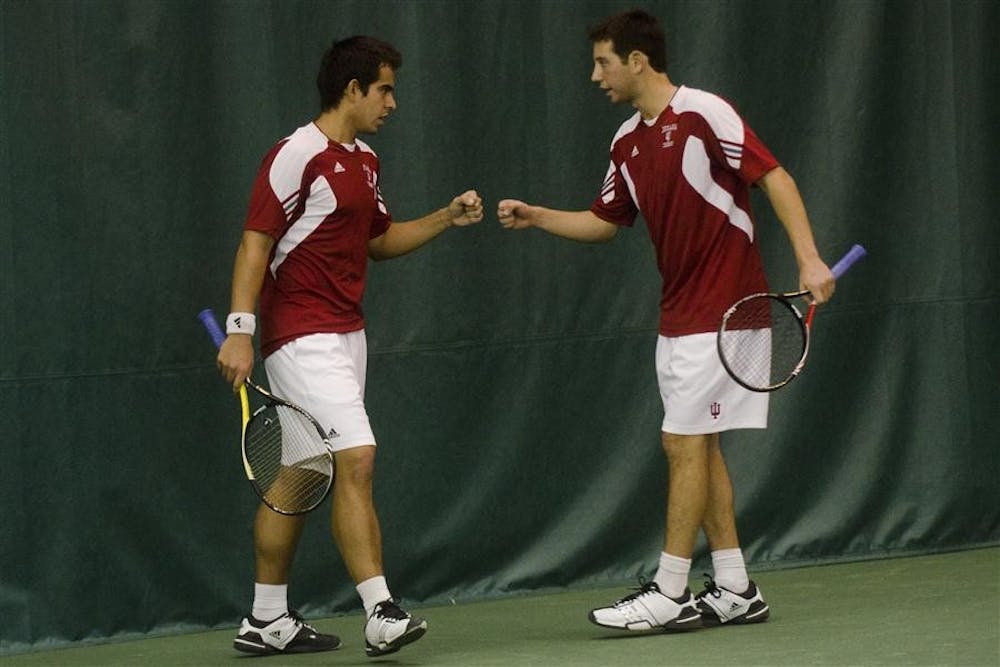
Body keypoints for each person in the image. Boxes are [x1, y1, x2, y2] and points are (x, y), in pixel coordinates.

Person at [497, 9, 834, 632]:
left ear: (637, 61)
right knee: (698, 447)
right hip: (678, 316)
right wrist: (538, 216)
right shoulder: (626, 142)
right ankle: (735, 587)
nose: (594, 75)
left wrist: (809, 256)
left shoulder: (705, 113)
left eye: (603, 63)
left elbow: (775, 177)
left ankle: (671, 590)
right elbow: (604, 223)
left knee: (683, 445)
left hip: (728, 311)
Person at [215, 35, 483, 657]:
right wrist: (240, 329)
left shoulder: (365, 161)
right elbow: (255, 241)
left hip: (346, 334)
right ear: (353, 89)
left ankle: (265, 619)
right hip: (300, 335)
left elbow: (378, 242)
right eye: (384, 90)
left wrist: (445, 217)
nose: (392, 103)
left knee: (300, 475)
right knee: (357, 458)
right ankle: (380, 611)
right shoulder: (295, 154)